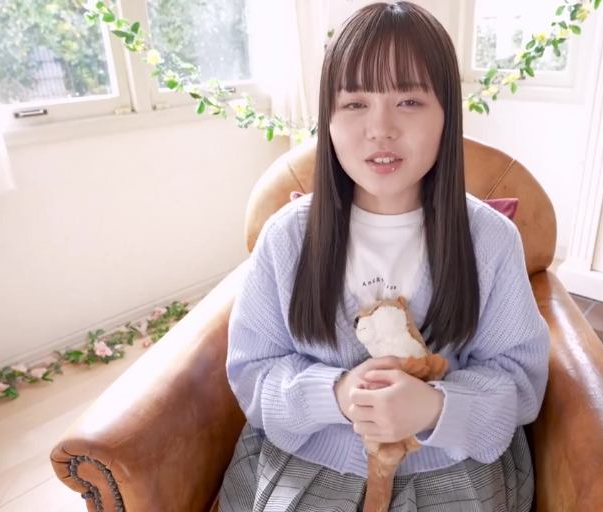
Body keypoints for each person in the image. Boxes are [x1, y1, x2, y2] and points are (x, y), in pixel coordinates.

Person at [219, 2, 550, 511]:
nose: (381, 128)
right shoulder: (287, 238)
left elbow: (521, 382)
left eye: (410, 101)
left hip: (452, 474)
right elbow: (252, 372)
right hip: (312, 468)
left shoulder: (490, 239)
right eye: (354, 103)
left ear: (447, 116)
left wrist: (435, 406)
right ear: (328, 119)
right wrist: (334, 394)